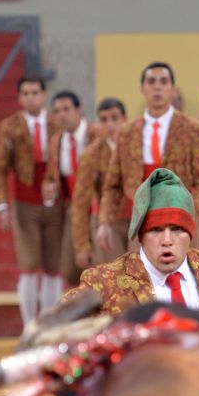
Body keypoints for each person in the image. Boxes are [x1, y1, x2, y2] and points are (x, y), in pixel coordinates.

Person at [63, 168, 199, 317]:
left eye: (177, 229)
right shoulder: (103, 281)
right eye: (156, 230)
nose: (167, 240)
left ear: (190, 234)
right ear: (141, 236)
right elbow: (61, 325)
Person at [95, 61, 199, 254]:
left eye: (163, 81)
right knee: (141, 281)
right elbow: (113, 185)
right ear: (143, 89)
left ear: (173, 90)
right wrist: (104, 222)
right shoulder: (127, 132)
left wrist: (184, 210)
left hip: (181, 222)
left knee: (183, 279)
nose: (157, 86)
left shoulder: (193, 129)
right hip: (143, 221)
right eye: (151, 81)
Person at [0, 76, 64, 326]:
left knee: (53, 266)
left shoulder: (58, 124)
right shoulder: (8, 127)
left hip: (58, 205)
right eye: (26, 93)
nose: (31, 97)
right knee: (29, 265)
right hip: (24, 205)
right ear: (19, 98)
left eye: (35, 92)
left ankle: (48, 326)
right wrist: (1, 205)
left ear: (44, 96)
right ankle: (30, 327)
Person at [43, 90, 99, 287]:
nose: (62, 115)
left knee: (104, 266)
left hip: (99, 209)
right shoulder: (55, 143)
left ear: (79, 110)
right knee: (70, 269)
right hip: (75, 212)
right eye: (56, 111)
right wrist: (50, 189)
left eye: (66, 109)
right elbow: (51, 177)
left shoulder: (96, 134)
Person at [70, 98, 129, 271]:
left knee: (143, 277)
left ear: (125, 120)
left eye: (114, 118)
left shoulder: (137, 147)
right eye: (104, 120)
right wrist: (82, 245)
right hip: (107, 221)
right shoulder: (91, 154)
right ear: (98, 123)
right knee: (114, 278)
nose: (110, 125)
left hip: (138, 218)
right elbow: (80, 201)